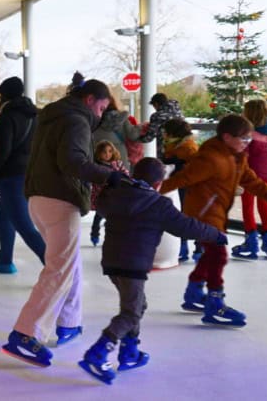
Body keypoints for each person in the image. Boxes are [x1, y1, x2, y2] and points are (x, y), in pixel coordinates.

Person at [1, 74, 120, 367]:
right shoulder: (77, 121)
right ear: (89, 100)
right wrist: (110, 175)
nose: (101, 115)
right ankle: (25, 333)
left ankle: (69, 322)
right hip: (59, 200)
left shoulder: (52, 116)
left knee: (69, 263)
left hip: (38, 197)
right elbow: (73, 161)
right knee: (59, 269)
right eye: (101, 108)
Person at [78, 157, 227, 385]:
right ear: (158, 183)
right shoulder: (159, 205)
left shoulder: (116, 195)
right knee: (131, 314)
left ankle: (130, 353)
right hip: (133, 266)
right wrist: (216, 235)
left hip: (111, 263)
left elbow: (102, 204)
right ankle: (98, 353)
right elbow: (187, 227)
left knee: (137, 305)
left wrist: (111, 184)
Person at [160, 114, 267, 327]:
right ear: (226, 137)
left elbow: (254, 183)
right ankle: (215, 302)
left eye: (249, 139)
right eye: (243, 139)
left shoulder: (237, 157)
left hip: (217, 213)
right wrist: (145, 191)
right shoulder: (209, 159)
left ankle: (194, 294)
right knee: (218, 255)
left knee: (209, 256)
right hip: (202, 215)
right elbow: (181, 179)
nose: (247, 143)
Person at [0, 76, 45, 274]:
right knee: (4, 214)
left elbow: (2, 150)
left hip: (12, 175)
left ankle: (56, 268)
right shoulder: (34, 115)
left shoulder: (8, 115)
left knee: (23, 224)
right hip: (30, 172)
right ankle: (5, 259)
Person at [232, 100, 267, 259]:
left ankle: (251, 243)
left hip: (250, 178)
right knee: (264, 207)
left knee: (248, 208)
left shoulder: (249, 135)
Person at [161, 118, 200, 262]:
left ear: (173, 132)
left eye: (165, 132)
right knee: (181, 215)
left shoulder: (187, 147)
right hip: (179, 185)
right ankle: (183, 245)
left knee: (189, 216)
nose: (163, 134)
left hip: (190, 186)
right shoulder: (173, 146)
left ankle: (198, 247)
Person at [89, 140, 129, 246]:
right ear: (99, 153)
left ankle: (112, 236)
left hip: (116, 196)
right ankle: (94, 234)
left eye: (110, 151)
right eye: (104, 152)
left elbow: (126, 174)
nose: (107, 154)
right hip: (102, 196)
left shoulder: (118, 164)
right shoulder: (96, 166)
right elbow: (95, 181)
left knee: (113, 217)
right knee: (98, 216)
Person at [92, 95, 143, 170]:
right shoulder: (121, 118)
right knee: (121, 178)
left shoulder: (93, 119)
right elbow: (133, 135)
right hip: (119, 155)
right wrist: (140, 127)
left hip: (98, 155)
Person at [139, 93, 183, 159]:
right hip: (182, 145)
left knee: (165, 167)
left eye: (154, 106)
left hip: (166, 148)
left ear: (156, 104)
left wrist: (137, 139)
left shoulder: (157, 115)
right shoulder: (178, 111)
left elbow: (150, 136)